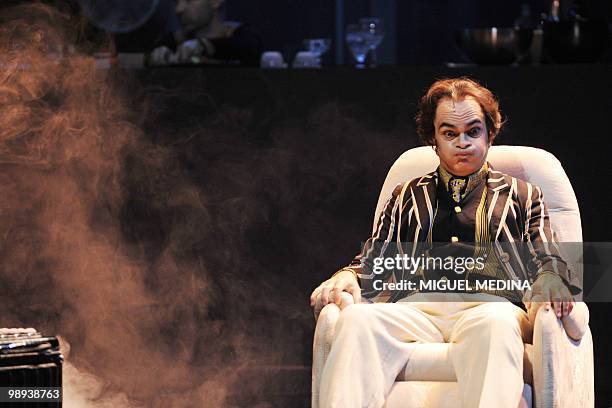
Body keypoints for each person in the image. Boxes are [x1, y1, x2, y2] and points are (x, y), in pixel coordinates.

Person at [309, 77, 581, 408]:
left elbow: (548, 257)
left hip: (490, 307)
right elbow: (375, 258)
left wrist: (552, 278)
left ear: (490, 134)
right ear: (433, 140)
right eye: (450, 133)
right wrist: (347, 275)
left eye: (473, 131)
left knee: (495, 325)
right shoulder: (407, 194)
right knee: (357, 322)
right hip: (416, 309)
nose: (463, 142)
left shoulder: (523, 195)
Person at [150, 0, 262, 66]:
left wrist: (204, 46)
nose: (178, 9)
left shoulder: (243, 38)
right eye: (176, 1)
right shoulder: (170, 42)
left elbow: (249, 47)